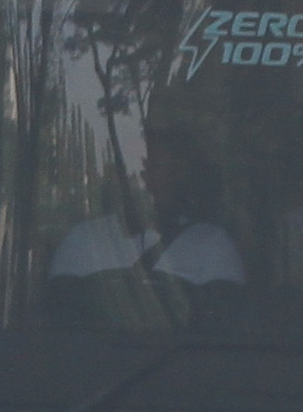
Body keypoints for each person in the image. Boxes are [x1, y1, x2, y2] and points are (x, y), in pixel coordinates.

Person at [46, 125, 247, 333]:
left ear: (180, 177)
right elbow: (60, 333)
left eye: (155, 168)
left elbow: (219, 339)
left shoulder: (213, 247)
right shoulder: (82, 242)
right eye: (133, 167)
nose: (142, 177)